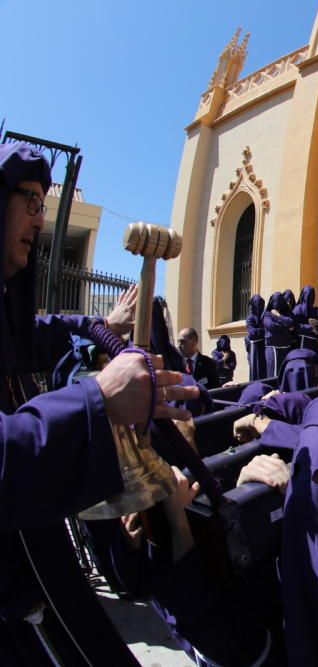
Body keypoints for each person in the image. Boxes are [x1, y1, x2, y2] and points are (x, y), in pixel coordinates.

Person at [0, 142, 198, 664]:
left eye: (46, 206)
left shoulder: (7, 315)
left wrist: (101, 328)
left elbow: (38, 331)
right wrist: (99, 399)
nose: (41, 222)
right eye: (33, 203)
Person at [244, 293, 267, 381]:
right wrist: (264, 331)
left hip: (263, 346)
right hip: (255, 347)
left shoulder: (264, 316)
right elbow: (252, 332)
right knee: (255, 370)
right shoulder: (250, 318)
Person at [292, 284, 318, 353]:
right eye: (307, 295)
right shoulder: (298, 309)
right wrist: (310, 328)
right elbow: (294, 326)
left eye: (311, 295)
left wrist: (317, 326)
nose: (308, 298)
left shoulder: (315, 310)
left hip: (313, 344)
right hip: (301, 343)